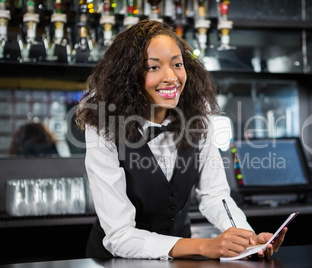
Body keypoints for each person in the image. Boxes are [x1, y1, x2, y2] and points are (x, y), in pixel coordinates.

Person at [75, 19, 287, 260]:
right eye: (153, 67)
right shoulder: (103, 127)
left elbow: (215, 196)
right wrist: (203, 246)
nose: (171, 77)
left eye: (177, 64)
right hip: (116, 262)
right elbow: (120, 235)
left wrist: (248, 240)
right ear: (128, 76)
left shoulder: (198, 117)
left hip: (179, 263)